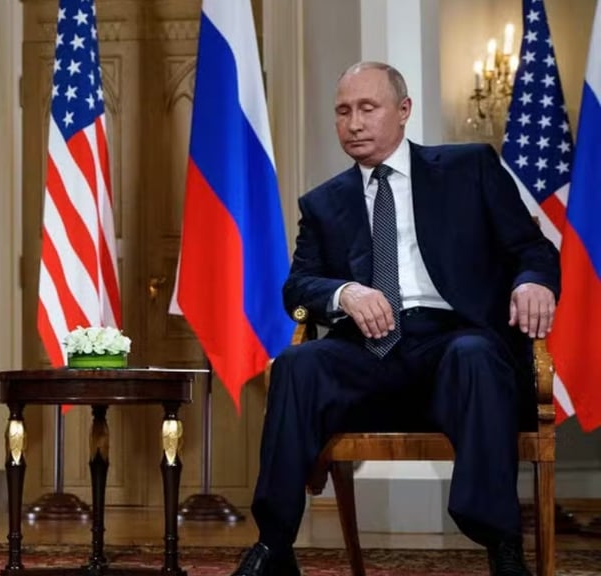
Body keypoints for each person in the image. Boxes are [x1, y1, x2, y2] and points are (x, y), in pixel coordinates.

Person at [231, 61, 559, 576]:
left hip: (452, 344)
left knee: (474, 355)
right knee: (296, 364)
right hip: (368, 351)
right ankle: (274, 545)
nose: (354, 123)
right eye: (343, 111)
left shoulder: (468, 168)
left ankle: (501, 542)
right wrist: (344, 292)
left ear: (403, 111)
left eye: (367, 108)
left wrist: (533, 281)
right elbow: (297, 288)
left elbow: (531, 248)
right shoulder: (323, 203)